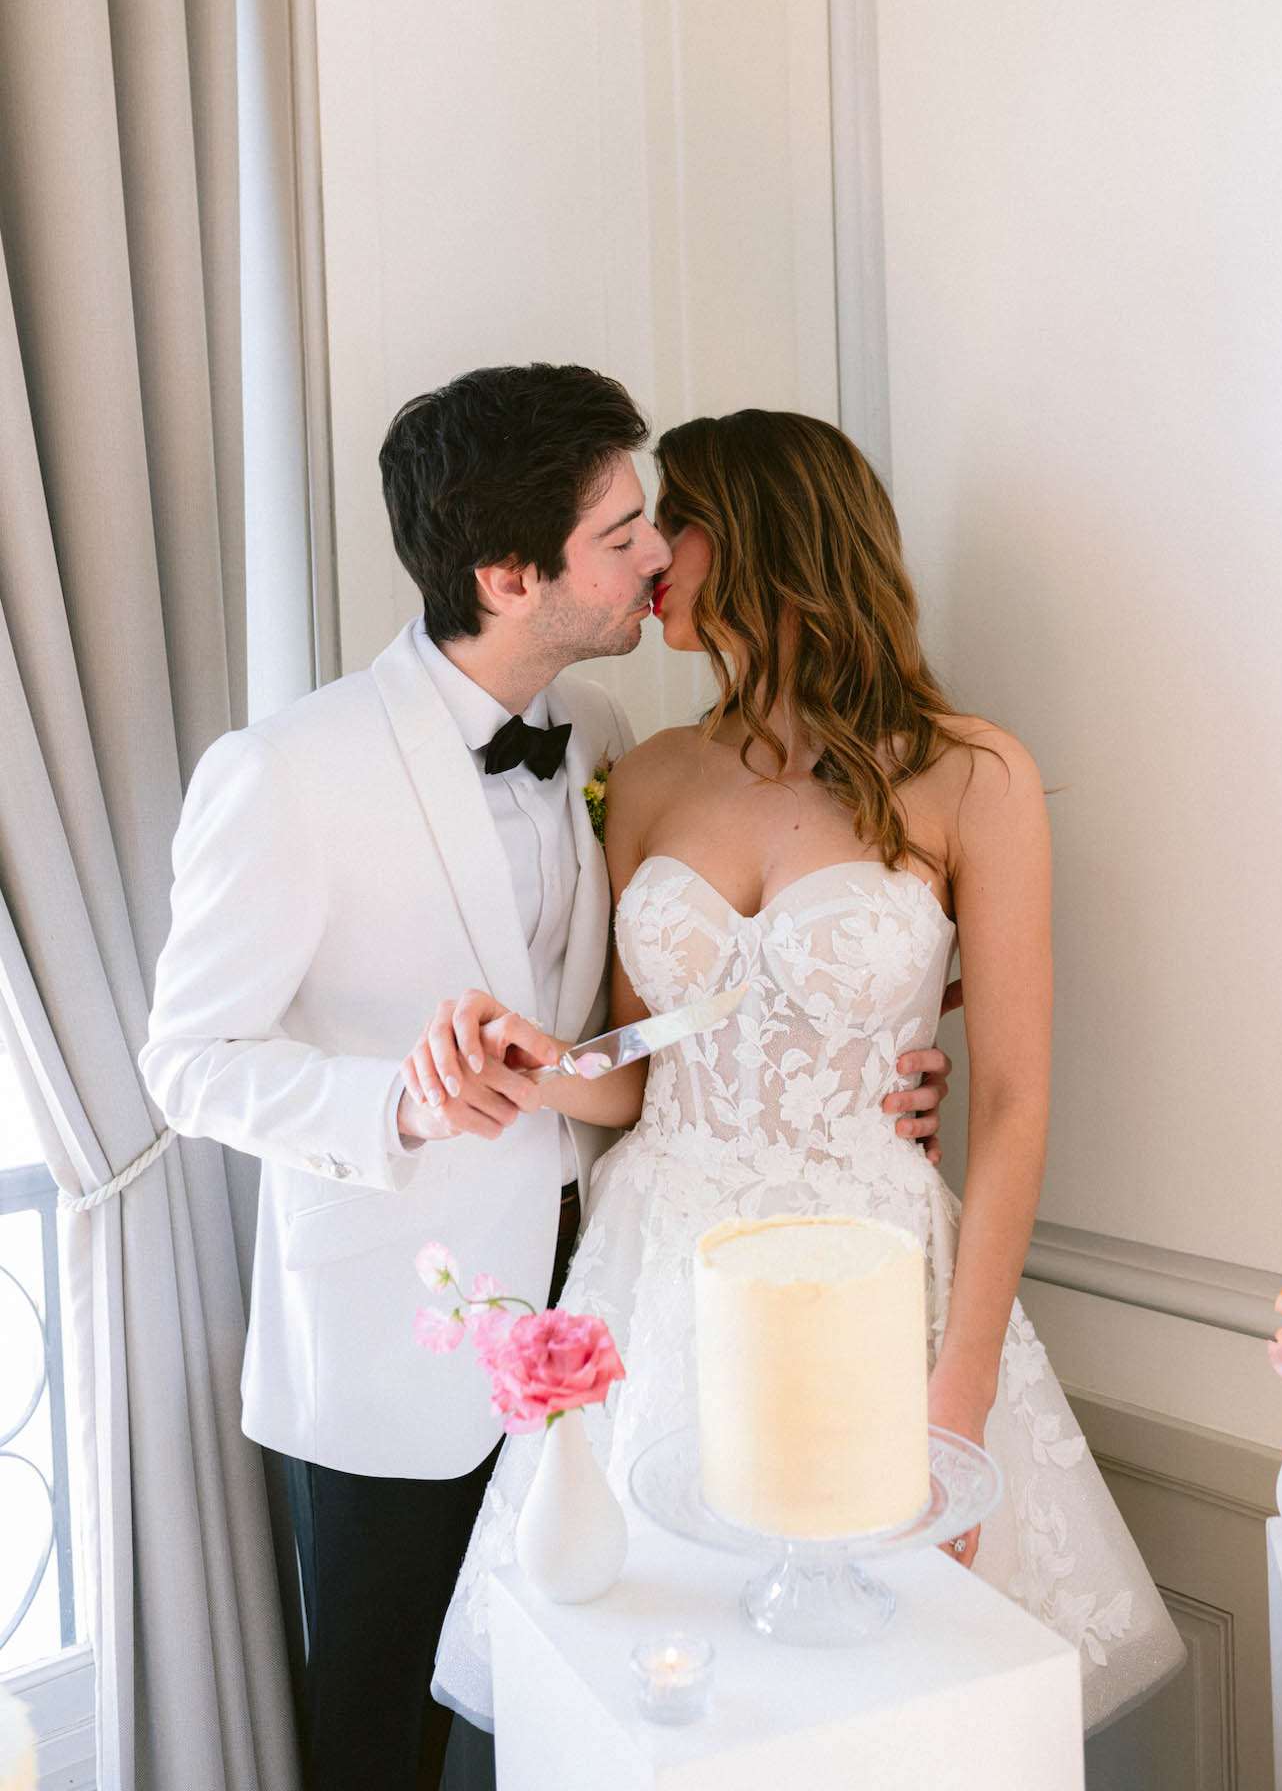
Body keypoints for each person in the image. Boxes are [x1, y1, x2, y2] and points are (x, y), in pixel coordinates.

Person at [138, 368, 953, 1791]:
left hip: (621, 1329)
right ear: (511, 575)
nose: (661, 554)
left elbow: (667, 1019)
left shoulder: (616, 747)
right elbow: (185, 1065)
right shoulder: (285, 771)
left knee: (591, 1725)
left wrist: (883, 1048)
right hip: (396, 1351)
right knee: (382, 1745)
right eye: (625, 528)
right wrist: (394, 1100)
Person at [430, 407, 1186, 1740]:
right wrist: (543, 1067)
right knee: (682, 1690)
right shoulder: (647, 773)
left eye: (677, 520)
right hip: (662, 1270)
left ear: (763, 534)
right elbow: (637, 1073)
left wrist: (951, 1407)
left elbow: (1010, 1108)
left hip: (875, 1271)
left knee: (884, 1701)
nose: (651, 551)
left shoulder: (969, 773)